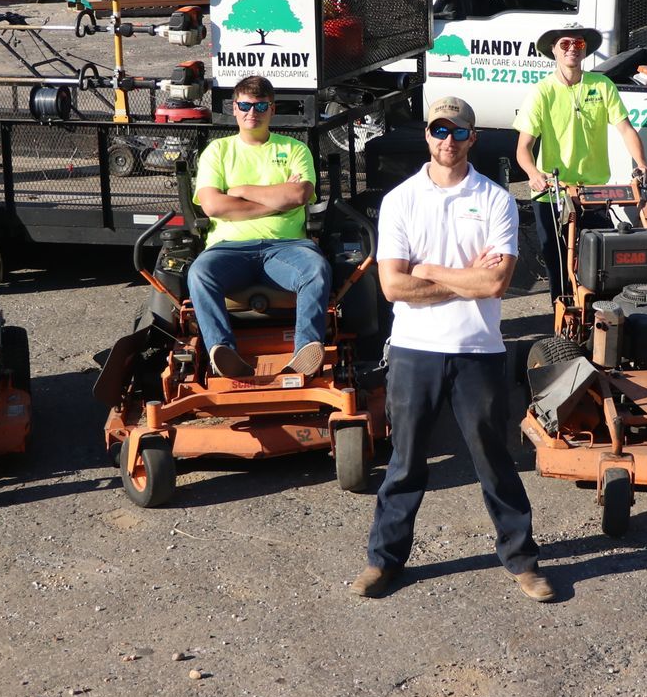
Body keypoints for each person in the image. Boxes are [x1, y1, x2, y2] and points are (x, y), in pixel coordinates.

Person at [354, 95, 555, 603]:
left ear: (473, 138)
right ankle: (384, 561)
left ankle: (522, 561)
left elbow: (496, 284)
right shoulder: (401, 200)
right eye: (439, 130)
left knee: (494, 459)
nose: (448, 140)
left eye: (458, 132)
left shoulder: (494, 199)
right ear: (427, 134)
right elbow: (393, 288)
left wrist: (429, 270)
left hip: (478, 349)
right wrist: (466, 276)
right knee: (405, 461)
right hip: (413, 350)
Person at [187, 75, 330, 380]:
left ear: (272, 110)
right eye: (246, 105)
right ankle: (221, 352)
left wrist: (239, 189)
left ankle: (307, 350)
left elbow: (298, 195)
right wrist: (275, 202)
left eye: (261, 106)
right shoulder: (217, 152)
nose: (253, 112)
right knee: (199, 272)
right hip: (228, 250)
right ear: (234, 109)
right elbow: (213, 206)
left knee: (316, 270)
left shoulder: (294, 149)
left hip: (287, 248)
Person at [514, 25, 647, 300]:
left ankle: (598, 318)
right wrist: (534, 173)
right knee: (558, 263)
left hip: (593, 192)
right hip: (552, 194)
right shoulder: (541, 92)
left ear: (585, 49)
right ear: (553, 50)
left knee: (599, 261)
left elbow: (625, 129)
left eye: (578, 44)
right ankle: (560, 321)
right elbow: (523, 148)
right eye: (564, 44)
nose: (572, 49)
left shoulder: (601, 86)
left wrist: (641, 162)